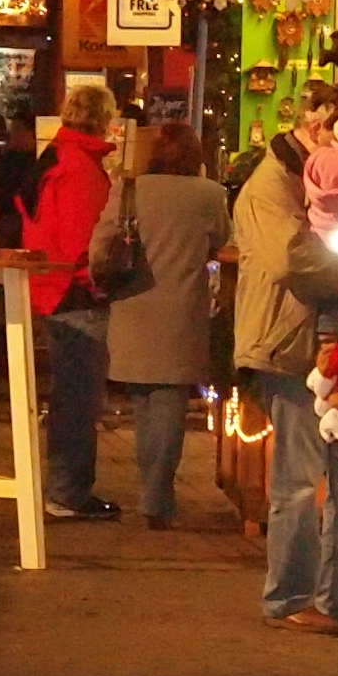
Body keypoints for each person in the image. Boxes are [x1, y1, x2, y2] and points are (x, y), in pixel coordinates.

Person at [238, 92, 338, 632]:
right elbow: (292, 260)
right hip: (289, 344)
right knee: (297, 481)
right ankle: (289, 599)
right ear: (314, 127)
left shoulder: (334, 177)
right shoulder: (270, 186)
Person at [95, 118, 232, 530]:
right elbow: (223, 239)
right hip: (181, 312)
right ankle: (157, 494)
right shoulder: (209, 194)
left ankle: (152, 490)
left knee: (144, 405)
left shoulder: (129, 190)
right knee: (169, 407)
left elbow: (100, 246)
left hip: (132, 307)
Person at [22, 84, 120, 521]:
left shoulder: (57, 157)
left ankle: (66, 489)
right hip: (73, 291)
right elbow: (85, 239)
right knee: (79, 397)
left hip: (53, 286)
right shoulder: (80, 167)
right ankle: (68, 492)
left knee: (70, 394)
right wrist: (96, 281)